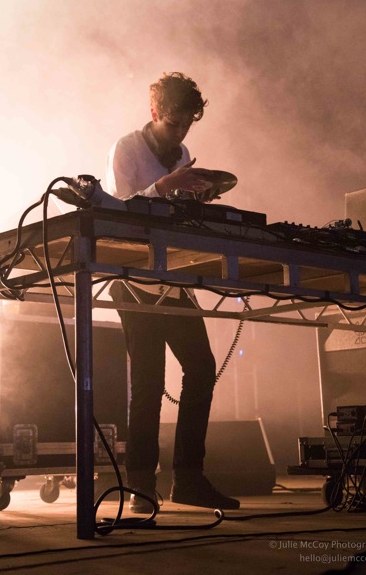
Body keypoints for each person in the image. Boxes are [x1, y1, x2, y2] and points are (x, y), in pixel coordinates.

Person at [106, 72, 240, 513]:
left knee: (201, 368)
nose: (180, 133)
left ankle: (189, 478)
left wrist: (198, 198)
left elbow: (174, 217)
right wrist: (163, 187)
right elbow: (119, 213)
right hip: (134, 280)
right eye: (173, 124)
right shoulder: (126, 148)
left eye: (187, 125)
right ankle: (141, 485)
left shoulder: (181, 154)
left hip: (172, 277)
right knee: (148, 382)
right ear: (154, 112)